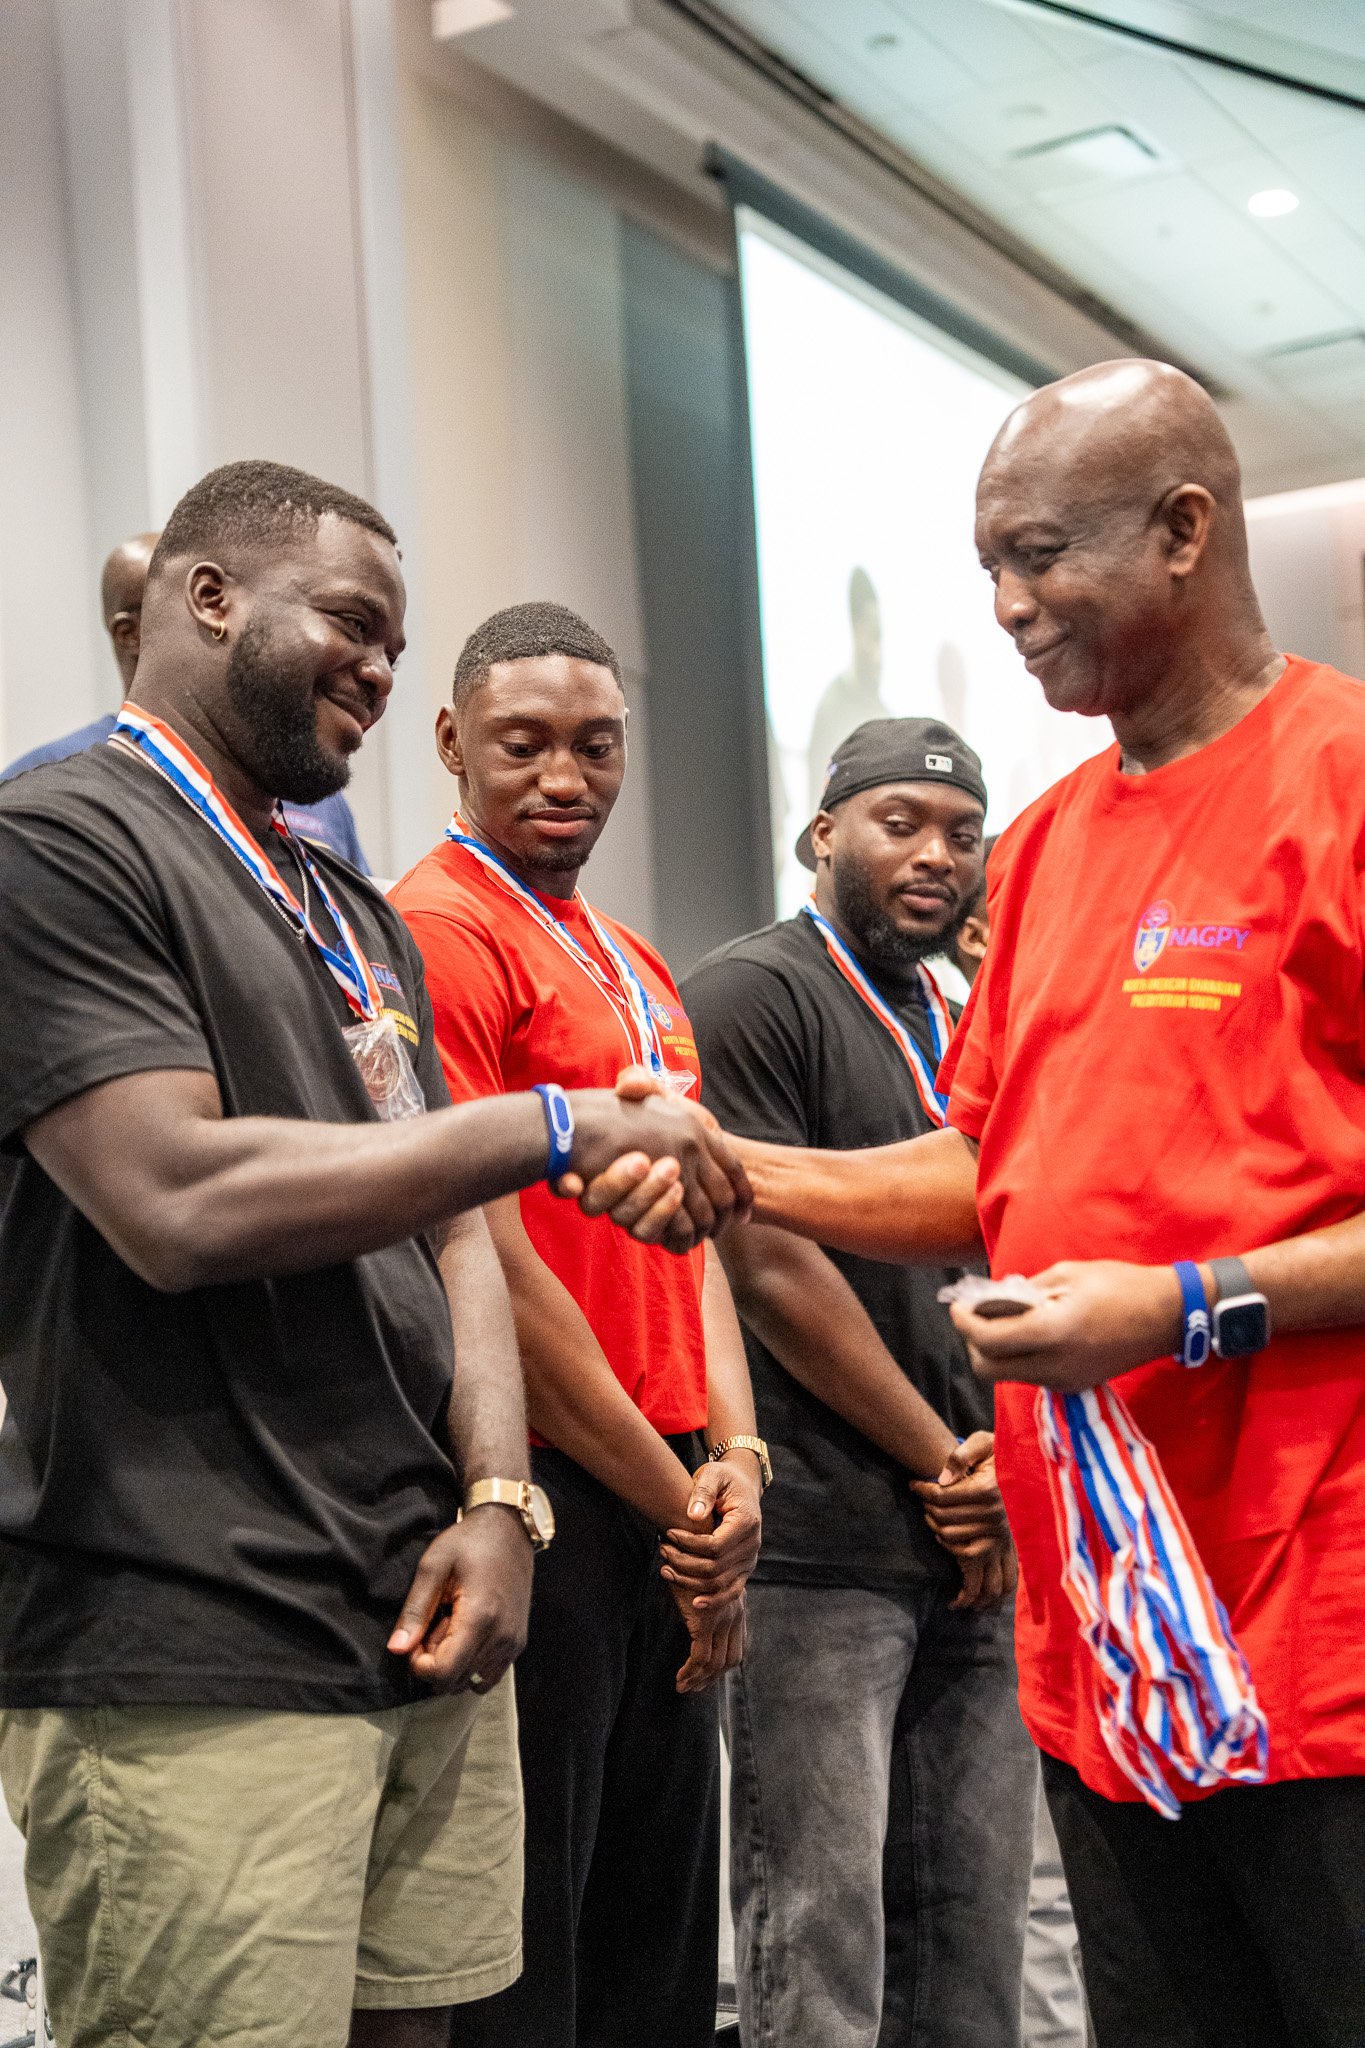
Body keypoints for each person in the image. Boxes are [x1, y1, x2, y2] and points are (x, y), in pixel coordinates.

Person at [587, 360, 1365, 2048]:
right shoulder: (1058, 843)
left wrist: (1179, 1307)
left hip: (1323, 1637)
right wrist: (739, 1165)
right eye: (987, 566)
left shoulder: (1344, 776)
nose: (1006, 605)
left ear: (1184, 531)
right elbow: (985, 1165)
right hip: (1109, 1643)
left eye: (1041, 555)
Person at [0, 463, 747, 2048]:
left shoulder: (345, 907)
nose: (381, 668)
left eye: (396, 643)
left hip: (421, 1610)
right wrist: (548, 1126)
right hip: (197, 1631)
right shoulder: (58, 846)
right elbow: (174, 1200)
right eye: (351, 622)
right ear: (210, 599)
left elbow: (453, 1231)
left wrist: (499, 1499)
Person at [389, 601, 764, 2048]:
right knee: (532, 1963)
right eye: (525, 743)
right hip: (550, 1490)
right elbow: (482, 1254)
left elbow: (697, 1237)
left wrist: (737, 1465)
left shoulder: (633, 959)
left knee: (654, 1955)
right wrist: (683, 1506)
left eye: (596, 746)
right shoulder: (439, 928)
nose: (565, 777)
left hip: (670, 1495)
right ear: (451, 741)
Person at [682, 717, 1036, 2048]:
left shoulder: (966, 1017)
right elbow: (771, 1269)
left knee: (972, 1948)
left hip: (979, 1542)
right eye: (900, 822)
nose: (936, 853)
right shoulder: (750, 994)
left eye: (961, 832)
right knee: (821, 1950)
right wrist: (944, 1459)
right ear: (821, 833)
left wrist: (1001, 1470)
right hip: (821, 1553)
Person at [0, 529, 371, 867]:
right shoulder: (40, 781)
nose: (218, 618)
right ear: (130, 634)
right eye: (197, 603)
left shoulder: (302, 787)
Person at [807, 566, 890, 812]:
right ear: (855, 630)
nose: (877, 653)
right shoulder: (832, 706)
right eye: (872, 636)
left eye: (880, 638)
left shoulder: (881, 707)